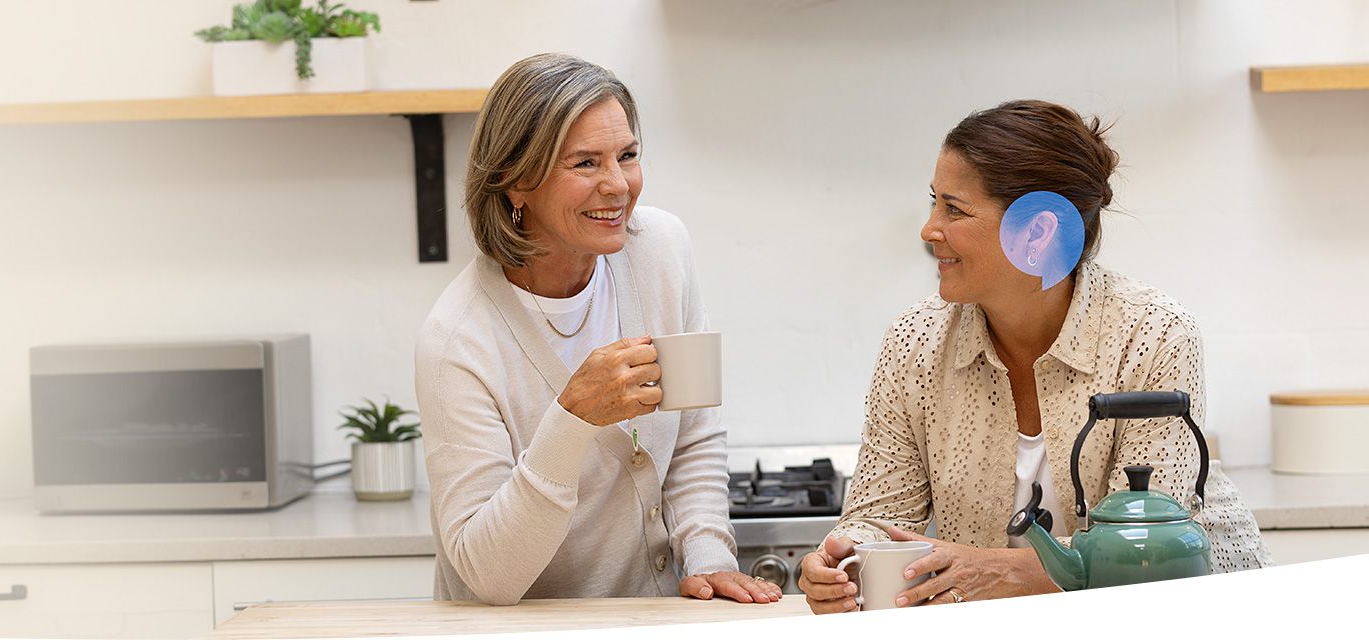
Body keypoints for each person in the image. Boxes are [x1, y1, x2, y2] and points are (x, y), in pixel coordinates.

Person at [797, 100, 1272, 613]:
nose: (929, 229)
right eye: (934, 202)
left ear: (1039, 232)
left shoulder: (1153, 333)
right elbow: (879, 516)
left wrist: (1001, 568)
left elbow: (1146, 553)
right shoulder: (915, 341)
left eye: (954, 209)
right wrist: (840, 560)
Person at [414, 53, 778, 606]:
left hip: (649, 617)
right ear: (515, 182)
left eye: (627, 156)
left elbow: (694, 434)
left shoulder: (661, 251)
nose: (618, 185)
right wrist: (571, 418)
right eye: (585, 163)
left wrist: (708, 557)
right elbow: (487, 575)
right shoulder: (458, 340)